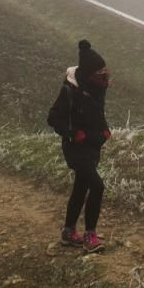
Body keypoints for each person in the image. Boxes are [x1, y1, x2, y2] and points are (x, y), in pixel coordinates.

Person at [47, 38, 112, 252]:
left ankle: (68, 232)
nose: (105, 76)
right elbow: (53, 119)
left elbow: (96, 114)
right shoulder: (70, 91)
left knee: (81, 186)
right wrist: (74, 134)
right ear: (88, 74)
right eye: (100, 72)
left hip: (93, 146)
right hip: (76, 148)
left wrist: (103, 130)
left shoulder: (96, 88)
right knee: (97, 186)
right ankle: (90, 236)